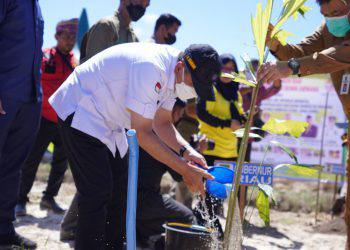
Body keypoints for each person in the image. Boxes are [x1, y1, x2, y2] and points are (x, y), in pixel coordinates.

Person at [50, 42, 220, 249]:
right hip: (81, 109)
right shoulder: (150, 68)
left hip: (110, 121)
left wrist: (188, 151)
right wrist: (184, 169)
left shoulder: (175, 75)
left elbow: (163, 122)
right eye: (194, 85)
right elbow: (143, 133)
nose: (193, 93)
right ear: (180, 68)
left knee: (122, 190)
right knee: (97, 192)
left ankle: (112, 246)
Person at [257, 0, 350, 247]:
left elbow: (339, 55)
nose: (333, 18)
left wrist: (292, 67)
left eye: (338, 12)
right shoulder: (328, 30)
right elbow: (299, 52)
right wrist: (275, 44)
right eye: (327, 14)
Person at [60, 0, 149, 241]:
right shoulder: (106, 27)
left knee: (107, 182)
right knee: (97, 182)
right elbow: (94, 71)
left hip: (113, 119)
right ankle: (72, 227)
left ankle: (79, 228)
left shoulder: (132, 36)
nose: (144, 4)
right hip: (91, 114)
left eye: (147, 2)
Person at [15, 19, 78, 218]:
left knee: (61, 161)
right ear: (57, 36)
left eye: (72, 37)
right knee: (31, 160)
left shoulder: (74, 61)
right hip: (42, 117)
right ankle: (20, 200)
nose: (69, 40)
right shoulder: (44, 56)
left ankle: (48, 198)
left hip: (64, 119)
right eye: (66, 36)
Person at [0, 1, 44, 249]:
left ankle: (4, 230)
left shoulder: (36, 6)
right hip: (5, 93)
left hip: (29, 99)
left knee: (11, 168)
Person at [193, 53, 246, 239]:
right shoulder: (210, 89)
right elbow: (202, 114)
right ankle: (211, 236)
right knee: (207, 198)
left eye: (232, 69)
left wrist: (247, 118)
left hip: (230, 152)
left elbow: (238, 119)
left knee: (220, 198)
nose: (228, 72)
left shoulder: (236, 93)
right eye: (224, 68)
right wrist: (226, 123)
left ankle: (213, 236)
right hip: (210, 150)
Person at [136, 99, 195, 249]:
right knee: (187, 217)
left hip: (124, 196)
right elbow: (179, 175)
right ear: (173, 113)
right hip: (145, 198)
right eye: (180, 114)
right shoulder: (163, 138)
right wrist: (195, 151)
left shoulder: (142, 129)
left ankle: (145, 240)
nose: (180, 118)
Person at [79, 0, 149, 63]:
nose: (143, 7)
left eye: (146, 5)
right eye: (141, 1)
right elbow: (92, 68)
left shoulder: (134, 39)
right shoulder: (106, 26)